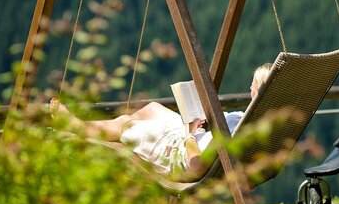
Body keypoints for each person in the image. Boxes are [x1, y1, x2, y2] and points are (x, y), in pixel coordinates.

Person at [50, 63, 272, 182]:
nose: (249, 89)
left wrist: (189, 134)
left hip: (181, 154)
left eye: (252, 85)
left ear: (258, 93)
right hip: (197, 138)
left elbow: (196, 167)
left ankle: (77, 126)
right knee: (152, 109)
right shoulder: (254, 122)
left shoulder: (236, 132)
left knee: (127, 123)